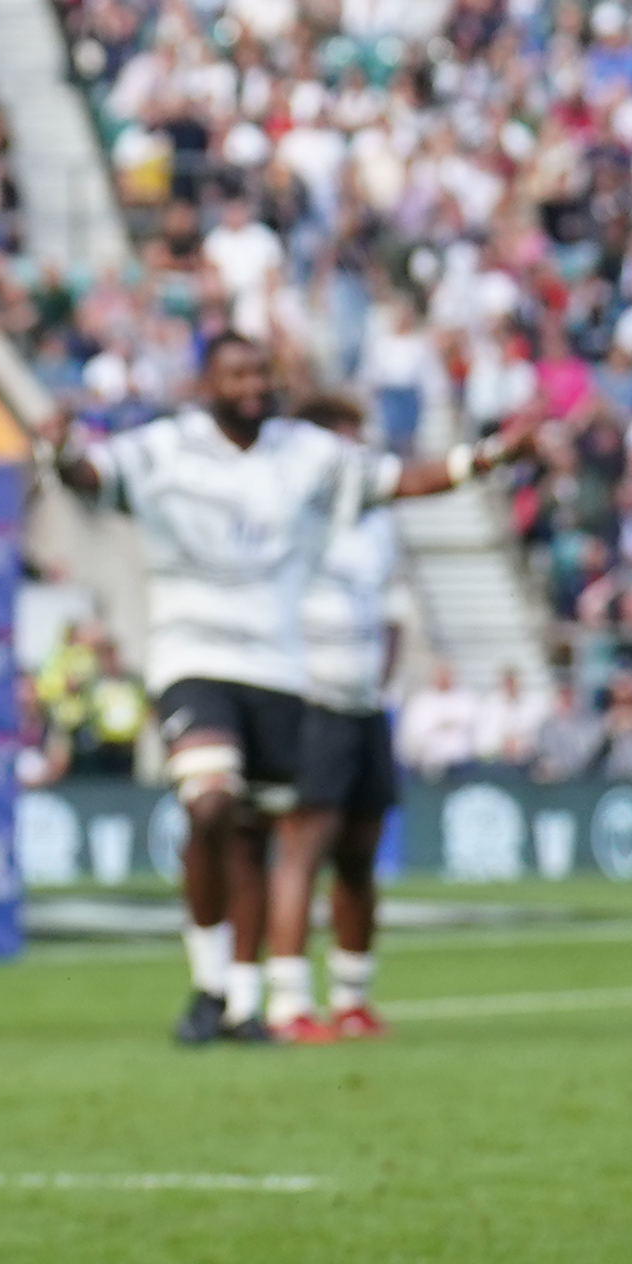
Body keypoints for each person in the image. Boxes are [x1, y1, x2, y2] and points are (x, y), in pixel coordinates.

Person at [43, 335, 519, 1044]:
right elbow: (90, 474)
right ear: (206, 380)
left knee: (252, 837)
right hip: (193, 654)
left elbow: (401, 480)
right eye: (237, 371)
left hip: (277, 667)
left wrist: (483, 458)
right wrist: (58, 452)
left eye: (261, 369)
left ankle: (244, 1000)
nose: (252, 383)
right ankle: (208, 987)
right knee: (208, 802)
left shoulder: (308, 453)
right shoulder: (164, 446)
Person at [289, 387, 403, 1035]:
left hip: (365, 701)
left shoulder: (380, 518)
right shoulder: (290, 511)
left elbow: (393, 611)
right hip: (311, 696)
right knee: (304, 842)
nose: (357, 450)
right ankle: (288, 997)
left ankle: (353, 997)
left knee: (361, 848)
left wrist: (383, 676)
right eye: (343, 438)